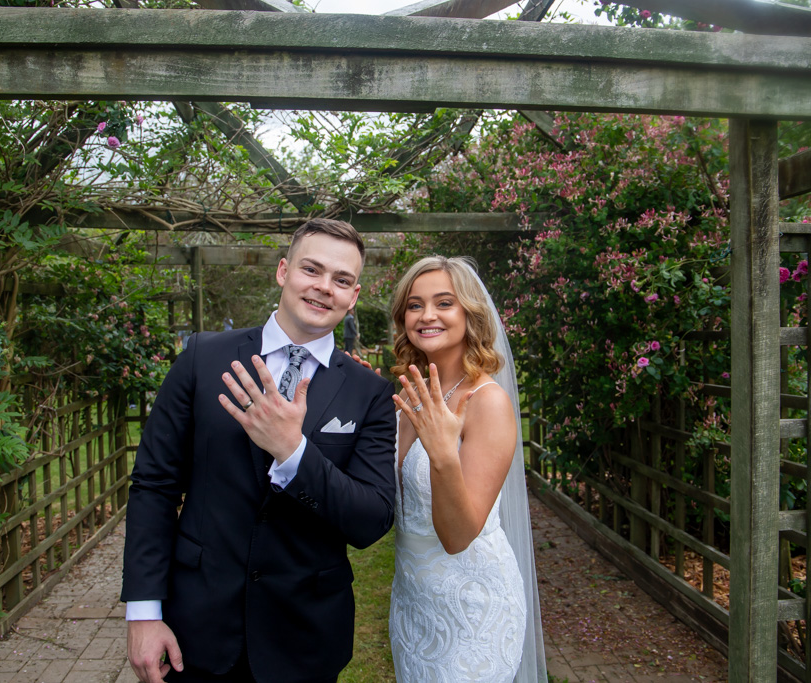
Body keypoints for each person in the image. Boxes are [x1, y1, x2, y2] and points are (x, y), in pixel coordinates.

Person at [122, 218, 397, 683]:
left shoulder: (369, 392)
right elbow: (154, 485)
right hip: (198, 628)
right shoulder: (202, 359)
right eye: (312, 270)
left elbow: (371, 520)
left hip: (305, 638)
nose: (324, 287)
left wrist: (294, 453)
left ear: (353, 296)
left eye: (342, 280)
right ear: (283, 271)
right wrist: (143, 613)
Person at [386, 256, 547, 682]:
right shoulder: (409, 393)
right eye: (415, 305)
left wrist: (442, 454)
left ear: (469, 314)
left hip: (473, 607)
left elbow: (458, 536)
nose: (427, 315)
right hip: (413, 603)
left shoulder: (486, 402)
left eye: (444, 303)